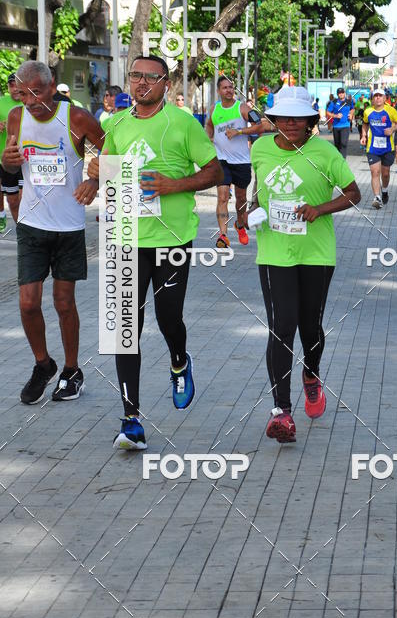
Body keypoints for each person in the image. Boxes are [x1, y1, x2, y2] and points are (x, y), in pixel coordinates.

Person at [88, 55, 222, 450]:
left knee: (168, 318)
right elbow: (107, 169)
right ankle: (131, 419)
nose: (141, 82)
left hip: (172, 238)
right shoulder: (116, 124)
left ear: (166, 83)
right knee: (124, 328)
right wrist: (94, 176)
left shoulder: (183, 123)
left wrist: (172, 185)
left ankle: (179, 361)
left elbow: (214, 172)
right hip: (125, 236)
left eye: (150, 77)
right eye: (135, 75)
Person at [247, 86, 360, 443]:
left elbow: (353, 193)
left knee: (310, 328)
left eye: (299, 118)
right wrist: (249, 210)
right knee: (282, 327)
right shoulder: (260, 148)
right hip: (274, 253)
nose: (291, 123)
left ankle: (311, 374)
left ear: (310, 121)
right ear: (275, 119)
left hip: (316, 254)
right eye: (284, 118)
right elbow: (255, 190)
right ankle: (281, 411)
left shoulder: (325, 152)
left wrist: (319, 209)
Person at [1, 61, 103, 403]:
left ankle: (71, 371)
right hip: (32, 224)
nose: (30, 100)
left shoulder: (77, 118)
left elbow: (115, 151)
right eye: (23, 93)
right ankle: (43, 364)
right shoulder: (17, 117)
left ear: (52, 86)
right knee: (28, 303)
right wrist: (7, 162)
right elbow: (10, 167)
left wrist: (95, 180)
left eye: (37, 92)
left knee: (63, 302)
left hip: (69, 226)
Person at [205, 76, 265, 248]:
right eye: (225, 88)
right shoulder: (214, 109)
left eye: (231, 87)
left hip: (241, 161)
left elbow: (259, 124)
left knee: (241, 198)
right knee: (223, 197)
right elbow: (209, 125)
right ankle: (223, 235)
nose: (229, 90)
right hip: (221, 160)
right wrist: (209, 138)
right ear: (219, 91)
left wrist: (239, 131)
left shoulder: (242, 108)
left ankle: (239, 224)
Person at [361, 90, 397, 208]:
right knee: (375, 172)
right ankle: (377, 197)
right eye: (375, 96)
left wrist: (392, 129)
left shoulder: (391, 110)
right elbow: (365, 123)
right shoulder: (368, 111)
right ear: (372, 99)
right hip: (372, 148)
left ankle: (385, 190)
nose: (378, 98)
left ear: (384, 98)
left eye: (380, 96)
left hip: (388, 148)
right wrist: (363, 135)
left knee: (385, 174)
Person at [0, 72, 23, 228]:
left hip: (27, 159)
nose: (14, 88)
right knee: (13, 200)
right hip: (6, 160)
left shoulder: (30, 102)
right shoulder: (1, 102)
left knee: (25, 197)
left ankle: (30, 229)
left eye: (17, 85)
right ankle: (22, 231)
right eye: (11, 85)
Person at [326, 88, 354, 158]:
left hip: (346, 125)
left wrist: (351, 114)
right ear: (337, 94)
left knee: (343, 143)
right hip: (336, 126)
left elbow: (352, 109)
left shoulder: (349, 101)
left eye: (342, 93)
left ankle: (343, 159)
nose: (341, 94)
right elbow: (328, 112)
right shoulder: (334, 102)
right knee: (337, 145)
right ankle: (338, 158)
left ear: (344, 93)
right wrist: (335, 116)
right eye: (339, 93)